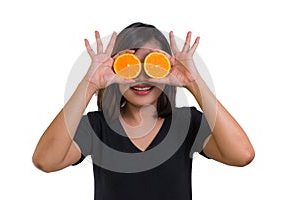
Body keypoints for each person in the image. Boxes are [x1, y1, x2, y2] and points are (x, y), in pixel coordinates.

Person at [32, 22, 255, 200]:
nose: (141, 76)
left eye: (152, 64)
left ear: (167, 68)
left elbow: (242, 155)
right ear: (114, 68)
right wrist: (89, 85)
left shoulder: (186, 123)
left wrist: (193, 82)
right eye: (130, 65)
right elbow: (45, 161)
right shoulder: (96, 128)